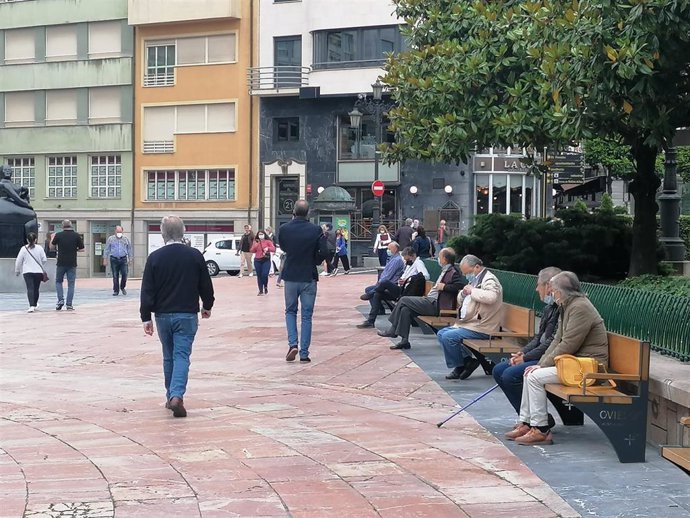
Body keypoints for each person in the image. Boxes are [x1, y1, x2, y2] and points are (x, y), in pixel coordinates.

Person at [506, 271, 608, 445]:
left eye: (552, 290)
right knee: (529, 373)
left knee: (534, 377)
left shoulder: (580, 307)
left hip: (589, 368)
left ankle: (541, 431)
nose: (550, 293)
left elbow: (568, 344)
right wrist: (540, 364)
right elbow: (556, 340)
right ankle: (527, 422)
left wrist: (542, 366)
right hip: (575, 363)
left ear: (559, 292)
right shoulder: (568, 305)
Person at [140, 215, 215, 418]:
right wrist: (207, 305)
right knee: (182, 355)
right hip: (187, 314)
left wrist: (145, 317)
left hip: (162, 315)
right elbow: (205, 285)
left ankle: (169, 395)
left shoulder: (154, 258)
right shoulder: (194, 255)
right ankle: (176, 396)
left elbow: (147, 290)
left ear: (163, 233)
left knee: (168, 355)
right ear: (183, 232)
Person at [493, 267, 561, 414]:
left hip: (551, 359)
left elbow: (552, 342)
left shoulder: (562, 309)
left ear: (549, 286)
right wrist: (521, 352)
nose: (537, 289)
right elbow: (539, 337)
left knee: (510, 375)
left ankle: (534, 420)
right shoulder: (550, 308)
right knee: (498, 370)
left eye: (539, 285)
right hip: (541, 355)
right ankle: (525, 417)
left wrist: (525, 358)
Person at [378, 248, 465, 350]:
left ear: (445, 259)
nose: (438, 259)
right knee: (405, 310)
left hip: (436, 304)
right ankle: (404, 341)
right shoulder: (446, 270)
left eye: (439, 257)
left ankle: (393, 329)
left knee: (404, 300)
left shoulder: (453, 272)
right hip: (430, 301)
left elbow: (460, 285)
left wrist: (444, 287)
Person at [279, 200, 330, 363]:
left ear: (293, 211)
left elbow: (284, 247)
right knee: (307, 316)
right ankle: (304, 352)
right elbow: (324, 251)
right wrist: (315, 259)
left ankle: (292, 343)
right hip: (308, 275)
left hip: (291, 275)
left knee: (290, 311)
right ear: (308, 213)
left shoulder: (284, 229)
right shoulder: (315, 230)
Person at [439, 255, 503, 380]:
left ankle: (460, 366)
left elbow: (491, 297)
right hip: (471, 323)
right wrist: (463, 293)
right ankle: (467, 361)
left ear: (477, 267)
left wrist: (472, 291)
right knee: (441, 334)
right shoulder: (476, 279)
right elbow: (463, 298)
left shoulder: (489, 280)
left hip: (483, 326)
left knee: (448, 337)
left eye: (467, 272)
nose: (466, 276)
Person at [356, 242, 405, 328]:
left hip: (393, 287)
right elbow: (385, 273)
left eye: (389, 249)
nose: (388, 250)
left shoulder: (397, 260)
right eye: (387, 249)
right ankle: (372, 320)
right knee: (375, 293)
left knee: (378, 287)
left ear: (395, 249)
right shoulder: (392, 259)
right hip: (386, 285)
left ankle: (371, 295)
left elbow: (388, 275)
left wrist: (380, 283)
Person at [50, 219, 84, 311]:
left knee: (58, 281)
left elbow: (51, 248)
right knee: (71, 284)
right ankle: (69, 304)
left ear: (62, 226)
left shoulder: (58, 235)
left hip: (61, 262)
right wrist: (74, 250)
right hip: (72, 262)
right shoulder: (76, 235)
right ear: (71, 225)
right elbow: (82, 249)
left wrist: (52, 238)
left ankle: (60, 300)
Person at [14, 232, 47, 313]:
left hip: (27, 271)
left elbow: (19, 260)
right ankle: (35, 304)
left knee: (30, 288)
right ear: (36, 239)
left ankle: (31, 305)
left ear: (27, 240)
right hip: (38, 271)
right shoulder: (40, 248)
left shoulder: (23, 249)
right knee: (36, 288)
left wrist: (17, 270)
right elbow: (44, 259)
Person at [103, 225, 132, 296]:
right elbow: (107, 249)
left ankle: (122, 287)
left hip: (123, 259)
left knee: (124, 274)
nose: (119, 233)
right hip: (114, 258)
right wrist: (105, 259)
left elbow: (129, 249)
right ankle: (116, 290)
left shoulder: (125, 239)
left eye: (120, 232)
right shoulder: (111, 239)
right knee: (115, 275)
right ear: (115, 231)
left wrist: (130, 259)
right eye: (118, 232)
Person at [250, 229, 276, 296]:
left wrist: (268, 248)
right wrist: (256, 245)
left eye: (262, 234)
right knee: (259, 275)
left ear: (264, 235)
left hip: (266, 260)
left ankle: (265, 286)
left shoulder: (268, 241)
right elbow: (252, 250)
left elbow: (273, 249)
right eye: (259, 234)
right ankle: (260, 290)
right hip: (257, 260)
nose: (260, 235)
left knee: (264, 274)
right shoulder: (256, 241)